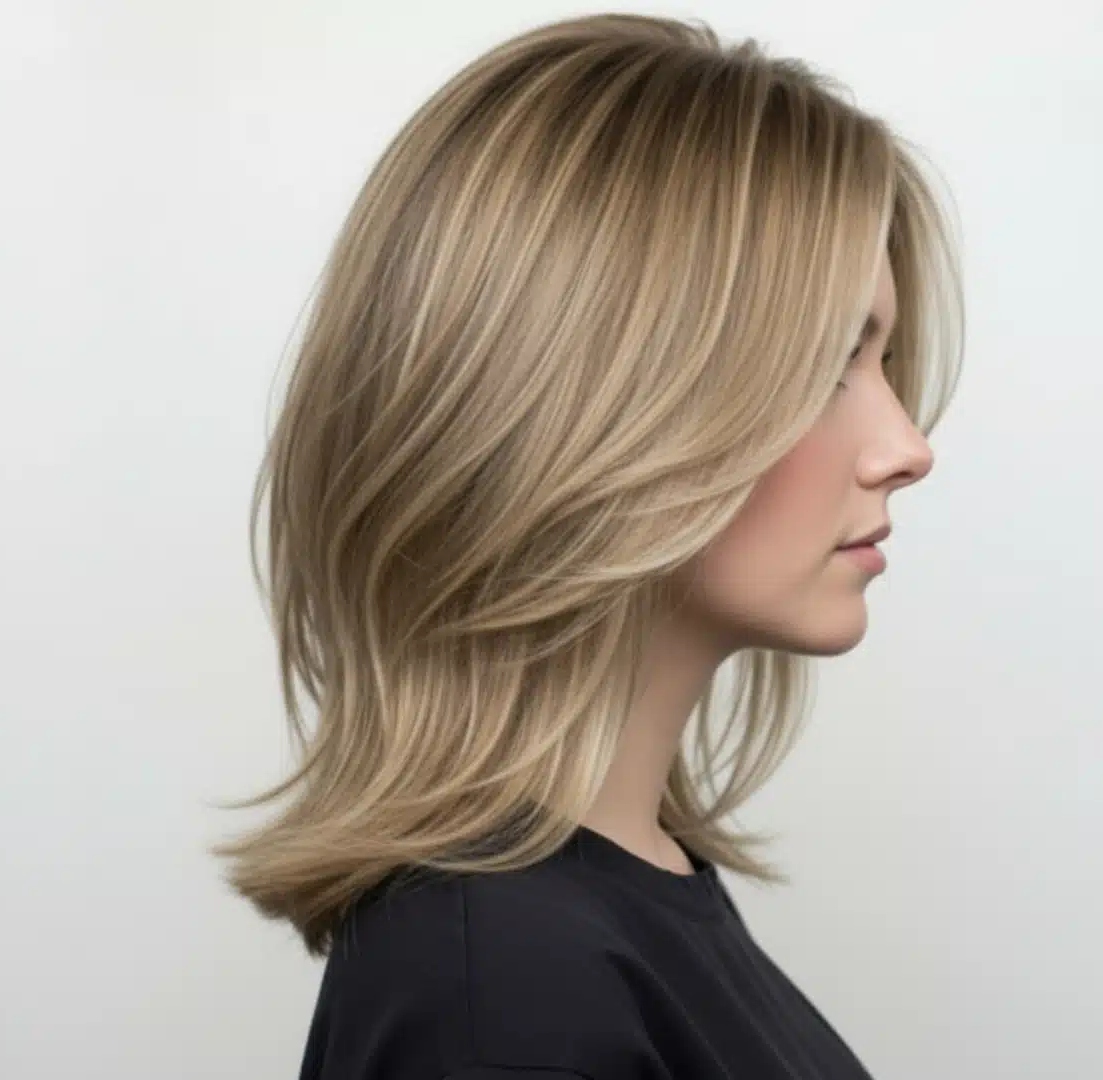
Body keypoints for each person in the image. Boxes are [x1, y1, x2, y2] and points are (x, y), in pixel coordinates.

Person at [217, 12, 963, 1079]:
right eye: (823, 367)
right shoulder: (507, 993)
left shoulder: (599, 913)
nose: (904, 447)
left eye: (881, 360)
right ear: (597, 406)